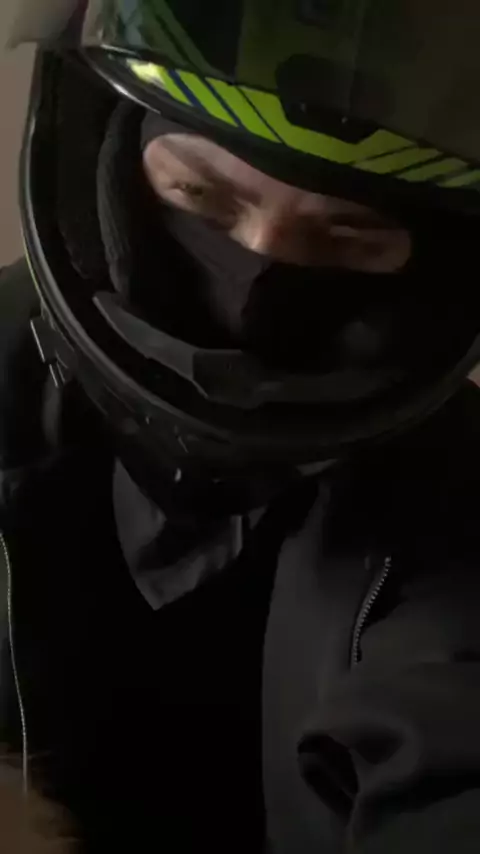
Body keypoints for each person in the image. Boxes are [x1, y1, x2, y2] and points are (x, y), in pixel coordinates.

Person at [2, 0, 480, 851]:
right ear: (103, 158)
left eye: (347, 236)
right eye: (200, 194)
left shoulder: (458, 492)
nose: (257, 276)